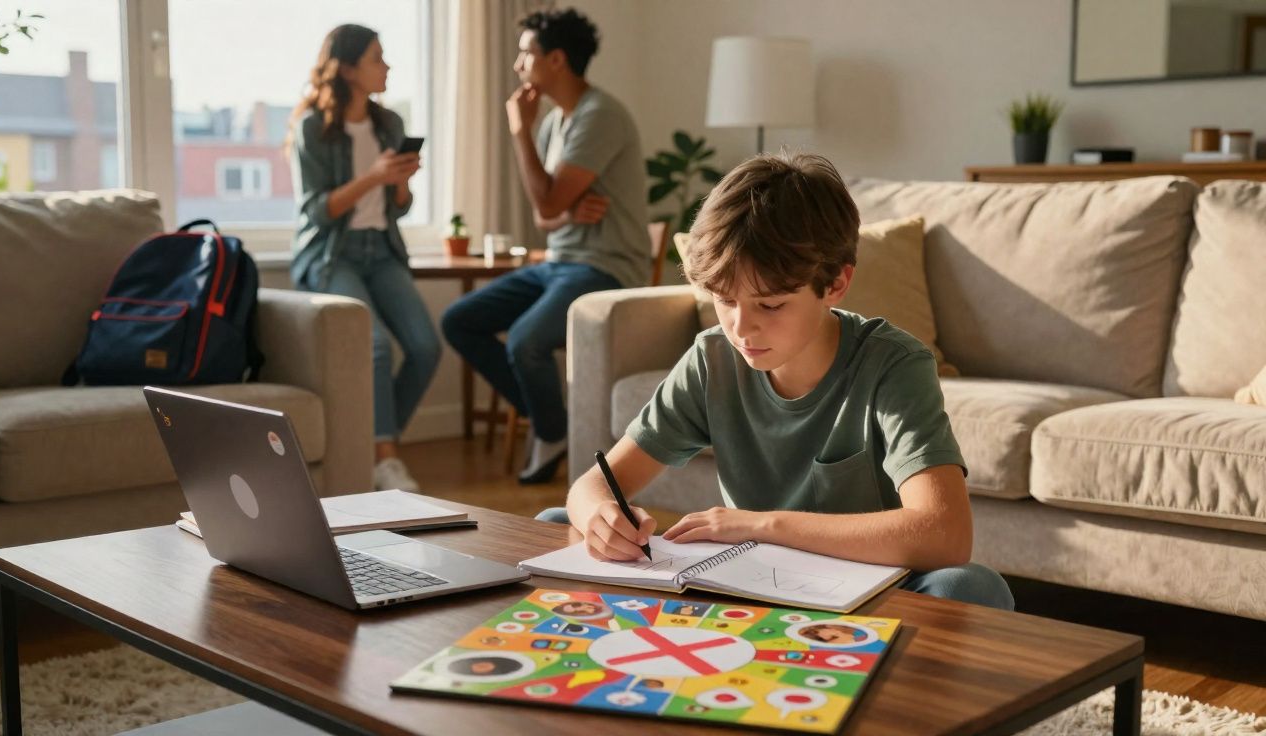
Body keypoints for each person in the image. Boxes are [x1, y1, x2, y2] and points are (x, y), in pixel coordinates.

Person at [544, 153, 1015, 611]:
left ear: (835, 284)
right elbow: (592, 486)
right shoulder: (714, 358)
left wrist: (761, 525)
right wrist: (601, 516)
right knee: (559, 522)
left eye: (769, 306)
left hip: (870, 594)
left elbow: (946, 535)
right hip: (748, 588)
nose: (741, 328)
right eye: (724, 300)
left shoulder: (893, 365)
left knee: (969, 587)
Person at [441, 8, 650, 484]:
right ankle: (552, 421)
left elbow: (547, 199)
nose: (518, 65)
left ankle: (552, 430)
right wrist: (565, 209)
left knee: (525, 341)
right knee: (460, 321)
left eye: (525, 54)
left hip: (603, 268)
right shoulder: (557, 122)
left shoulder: (601, 115)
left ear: (556, 59)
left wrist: (519, 130)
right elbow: (545, 215)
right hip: (558, 262)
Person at [289, 24, 441, 491]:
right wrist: (373, 176)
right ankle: (385, 458)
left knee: (424, 347)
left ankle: (372, 441)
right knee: (372, 346)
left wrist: (399, 183)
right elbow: (317, 209)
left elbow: (401, 207)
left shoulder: (388, 124)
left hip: (383, 250)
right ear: (349, 68)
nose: (387, 66)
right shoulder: (313, 127)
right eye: (378, 58)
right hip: (336, 255)